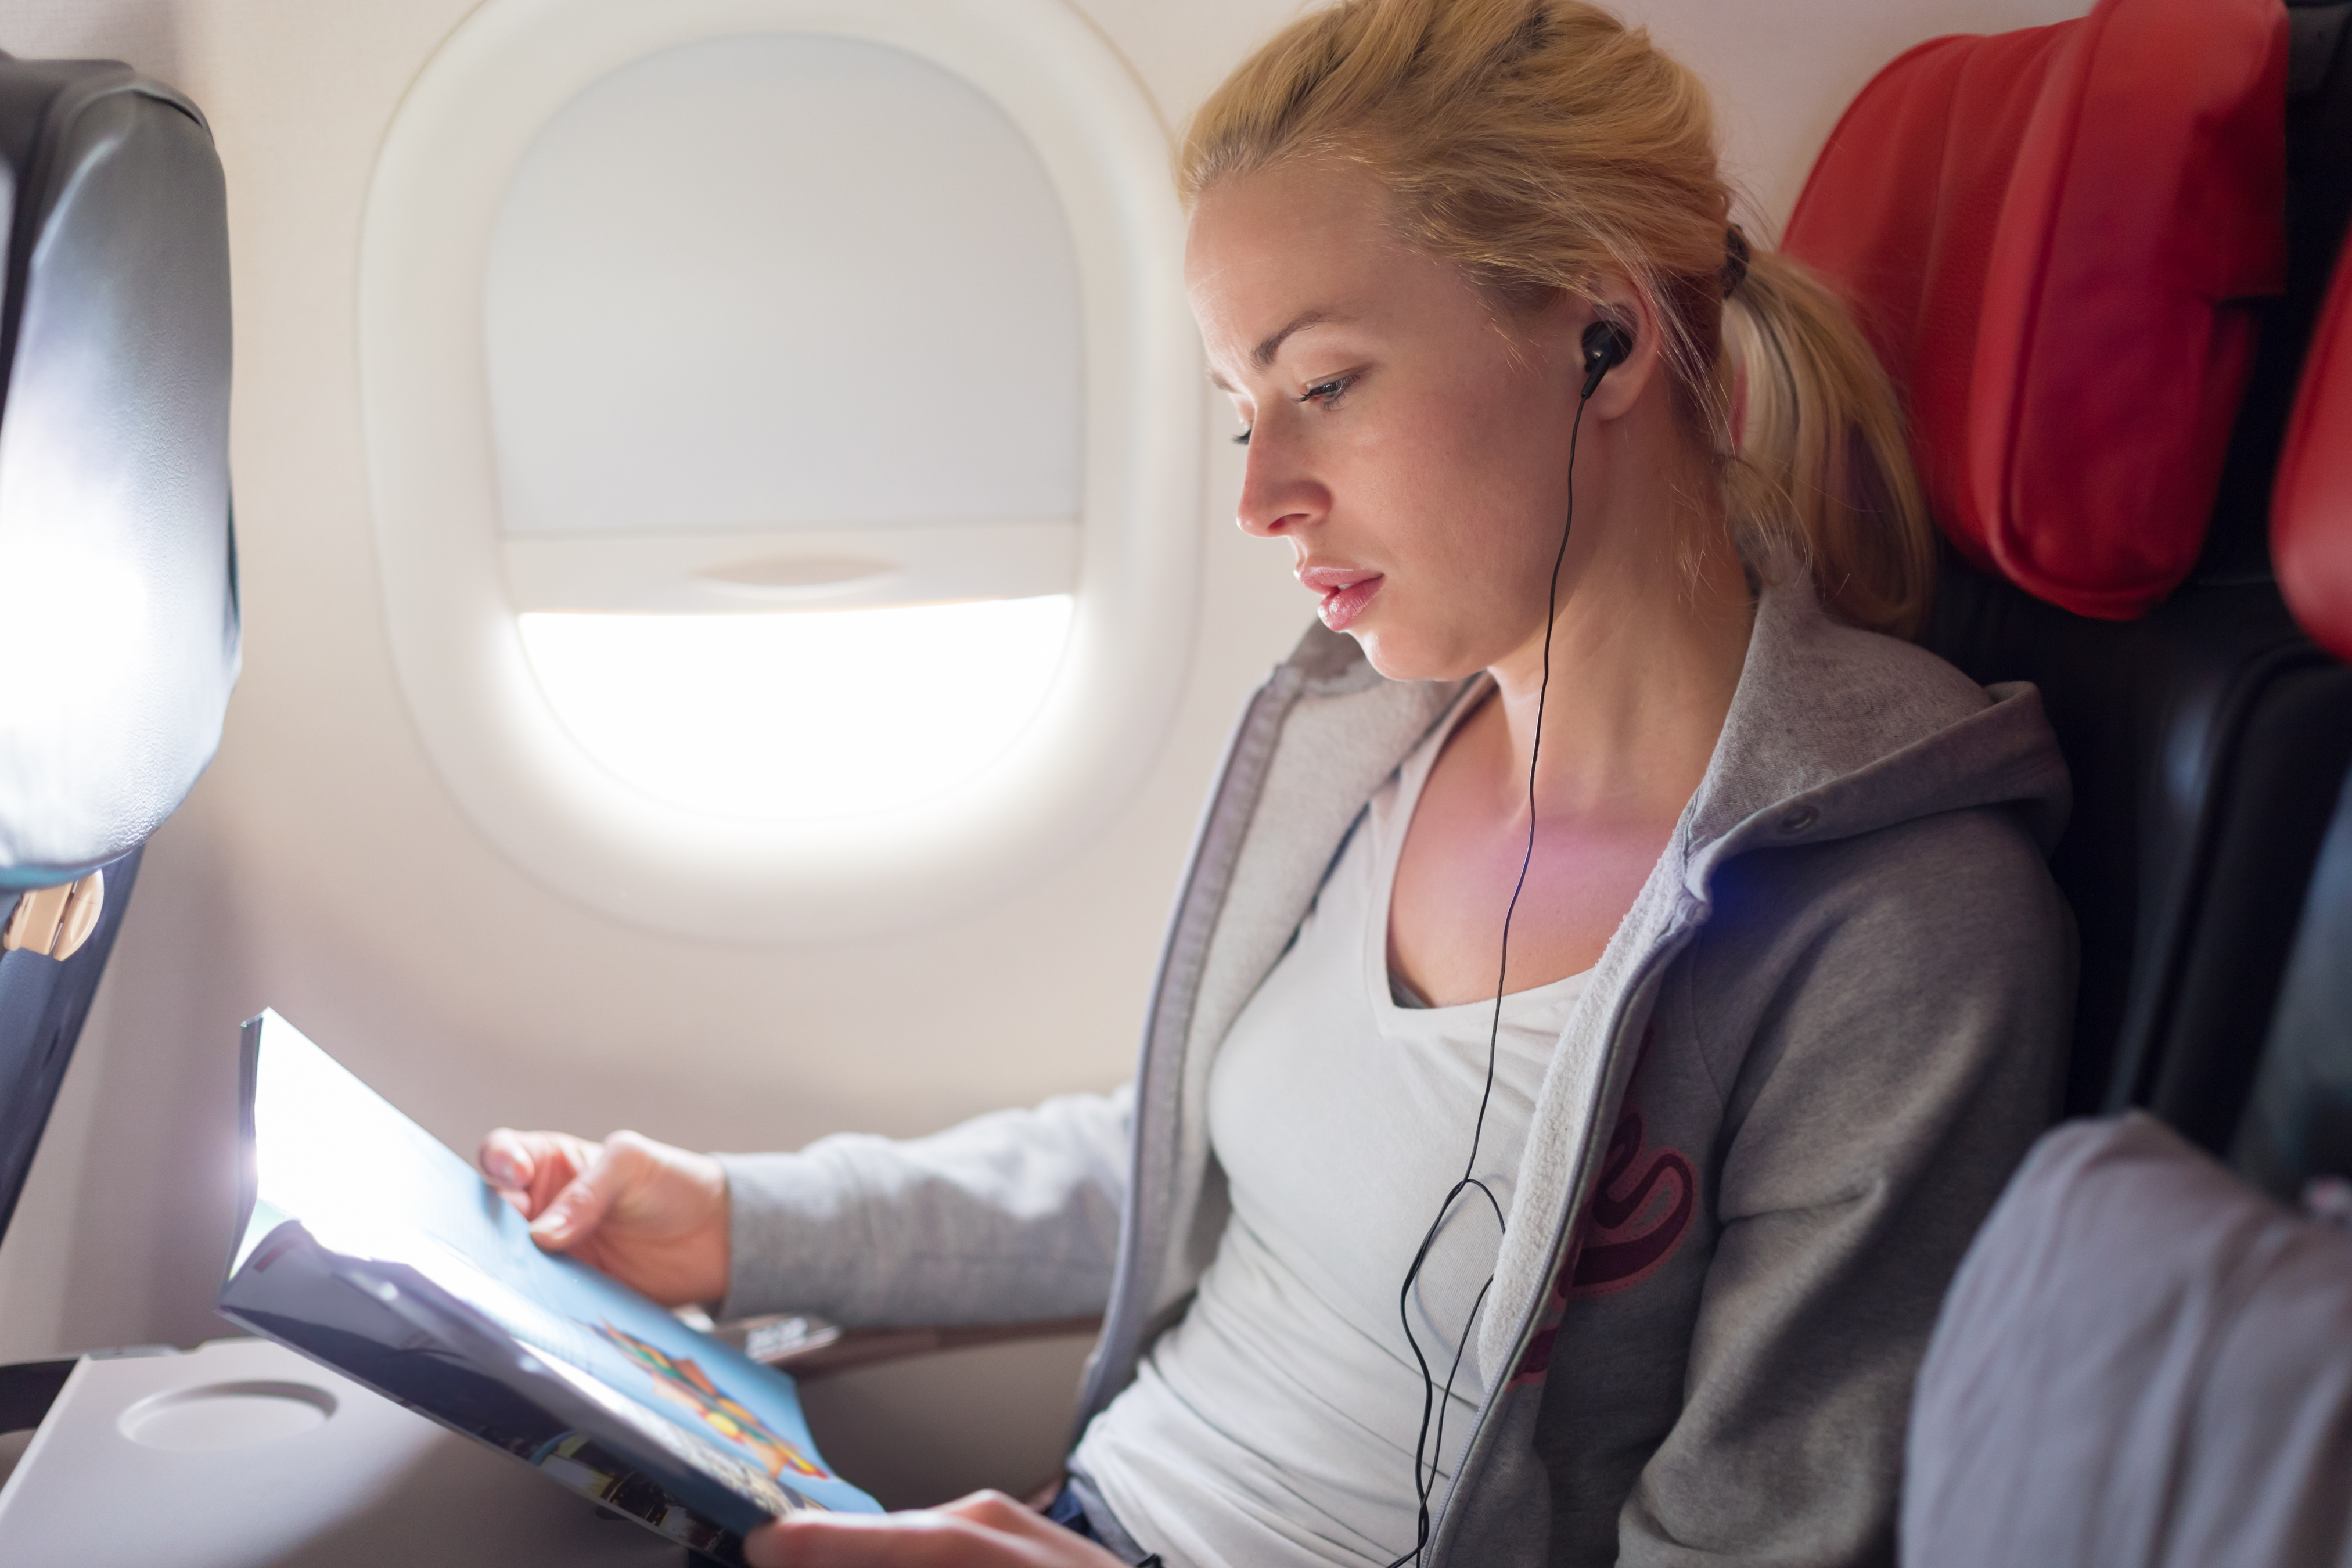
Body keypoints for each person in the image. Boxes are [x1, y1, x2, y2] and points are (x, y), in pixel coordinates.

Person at [479, 1, 2074, 1563]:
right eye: (1238, 412)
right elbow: (1197, 1159)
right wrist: (738, 1222)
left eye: (1322, 385)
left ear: (1599, 335)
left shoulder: (1891, 919)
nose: (1256, 495)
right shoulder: (1381, 736)